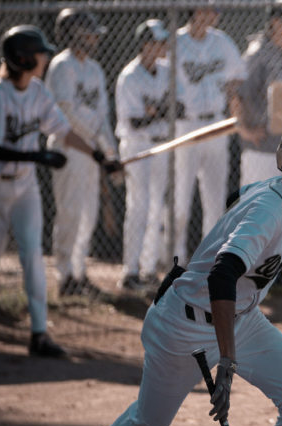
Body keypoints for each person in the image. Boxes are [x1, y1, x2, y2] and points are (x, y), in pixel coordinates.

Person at [69, 123, 282, 426]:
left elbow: (234, 199)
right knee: (147, 425)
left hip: (238, 317)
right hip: (184, 329)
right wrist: (227, 360)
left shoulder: (279, 196)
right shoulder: (270, 211)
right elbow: (222, 274)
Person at [0, 25, 120, 357]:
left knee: (32, 255)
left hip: (25, 188)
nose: (44, 57)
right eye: (39, 52)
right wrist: (38, 155)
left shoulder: (38, 92)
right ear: (22, 59)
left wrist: (98, 154)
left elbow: (63, 129)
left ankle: (39, 333)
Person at [47, 8, 119, 296]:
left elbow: (102, 116)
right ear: (73, 34)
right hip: (69, 148)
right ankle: (64, 276)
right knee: (70, 212)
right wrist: (94, 144)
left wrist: (109, 153)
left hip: (91, 152)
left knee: (88, 215)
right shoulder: (61, 66)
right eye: (88, 33)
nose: (94, 38)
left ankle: (79, 273)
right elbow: (66, 112)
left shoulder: (95, 69)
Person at [173, 5, 246, 263]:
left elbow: (237, 77)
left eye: (216, 9)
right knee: (181, 196)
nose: (214, 14)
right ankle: (176, 257)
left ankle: (210, 258)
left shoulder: (222, 41)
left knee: (215, 198)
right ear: (194, 10)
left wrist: (232, 98)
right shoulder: (176, 42)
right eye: (208, 8)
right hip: (186, 125)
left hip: (216, 124)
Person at [115, 19, 181, 289]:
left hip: (160, 145)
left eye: (164, 42)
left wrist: (159, 112)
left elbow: (178, 106)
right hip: (137, 146)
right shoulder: (130, 76)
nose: (163, 47)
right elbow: (134, 122)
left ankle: (148, 268)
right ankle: (130, 271)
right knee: (139, 207)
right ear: (145, 44)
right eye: (157, 42)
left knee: (157, 208)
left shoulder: (166, 71)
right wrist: (161, 112)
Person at [234, 2, 282, 188]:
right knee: (257, 210)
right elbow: (236, 95)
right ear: (276, 22)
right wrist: (244, 130)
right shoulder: (257, 54)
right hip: (261, 150)